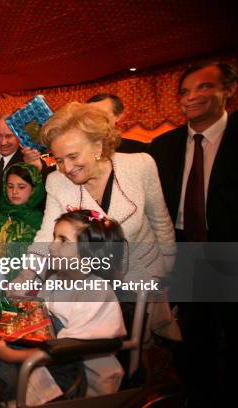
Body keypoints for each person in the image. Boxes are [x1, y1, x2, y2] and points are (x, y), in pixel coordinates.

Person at [0, 210, 127, 407]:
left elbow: (65, 350)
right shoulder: (56, 279)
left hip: (70, 372)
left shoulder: (96, 292)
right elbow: (36, 318)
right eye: (54, 237)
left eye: (63, 240)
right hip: (44, 352)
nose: (52, 246)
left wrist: (10, 355)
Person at [149, 61, 238, 406]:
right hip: (186, 248)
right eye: (185, 91)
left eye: (204, 87)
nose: (192, 97)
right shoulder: (164, 146)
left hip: (229, 249)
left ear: (228, 91)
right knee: (195, 334)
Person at [30, 102, 176, 284]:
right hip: (90, 282)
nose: (66, 168)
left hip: (145, 276)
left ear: (98, 146)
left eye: (73, 157)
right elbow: (46, 235)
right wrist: (27, 274)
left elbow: (161, 223)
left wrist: (167, 275)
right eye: (59, 160)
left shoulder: (140, 165)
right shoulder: (56, 181)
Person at [0, 114, 43, 227]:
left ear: (19, 136)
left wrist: (2, 218)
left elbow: (37, 204)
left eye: (9, 136)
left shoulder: (30, 162)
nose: (3, 142)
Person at [0, 163, 45, 281]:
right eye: (10, 186)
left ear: (34, 189)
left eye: (21, 187)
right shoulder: (0, 218)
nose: (14, 192)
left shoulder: (40, 223)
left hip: (25, 287)